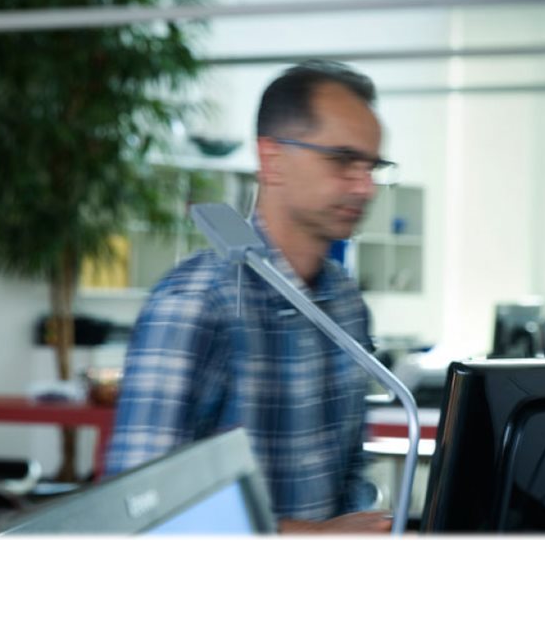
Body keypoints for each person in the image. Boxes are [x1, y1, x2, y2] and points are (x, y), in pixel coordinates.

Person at [105, 61, 395, 533]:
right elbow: (135, 515)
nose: (365, 187)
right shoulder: (197, 302)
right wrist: (312, 539)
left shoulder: (345, 304)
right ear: (272, 158)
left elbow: (346, 480)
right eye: (342, 160)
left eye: (372, 167)